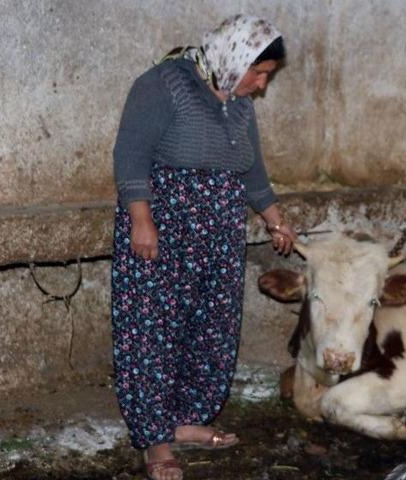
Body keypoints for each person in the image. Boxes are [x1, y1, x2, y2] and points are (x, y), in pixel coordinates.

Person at [111, 14, 297, 480]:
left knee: (209, 326)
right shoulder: (164, 84)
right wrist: (141, 220)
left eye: (266, 77)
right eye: (259, 73)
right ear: (234, 56)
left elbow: (251, 171)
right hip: (163, 228)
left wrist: (275, 219)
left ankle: (184, 419)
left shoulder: (238, 102)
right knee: (152, 330)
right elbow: (130, 153)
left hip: (218, 235)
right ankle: (155, 440)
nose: (260, 84)